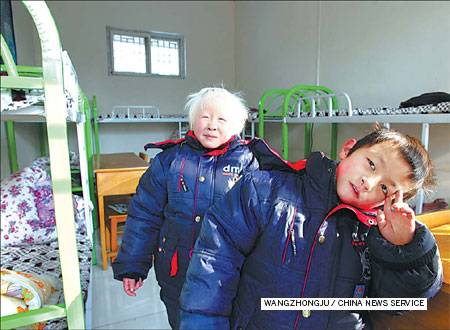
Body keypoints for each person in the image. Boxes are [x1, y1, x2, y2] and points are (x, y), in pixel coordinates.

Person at [179, 123, 443, 330]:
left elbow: (397, 304)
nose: (369, 182)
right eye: (371, 164)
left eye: (385, 188)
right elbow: (214, 266)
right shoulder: (264, 191)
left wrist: (404, 246)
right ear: (348, 149)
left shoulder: (375, 235)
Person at [112, 87, 260, 329]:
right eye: (205, 116)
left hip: (226, 275)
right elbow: (144, 215)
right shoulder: (169, 161)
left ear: (236, 127)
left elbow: (257, 221)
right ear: (192, 121)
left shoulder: (248, 163)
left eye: (222, 119)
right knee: (181, 321)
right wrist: (132, 264)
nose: (212, 125)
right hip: (176, 271)